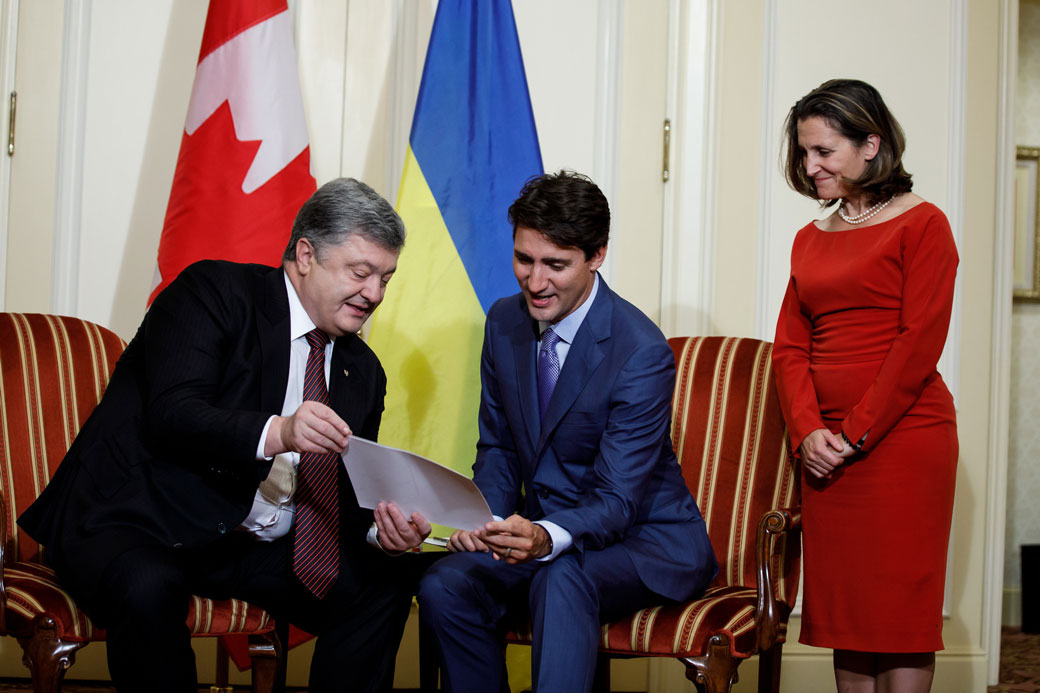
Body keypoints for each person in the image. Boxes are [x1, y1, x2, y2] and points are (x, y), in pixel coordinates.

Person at [18, 178, 432, 693]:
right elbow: (172, 413)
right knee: (148, 585)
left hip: (244, 541)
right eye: (361, 272)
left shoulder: (362, 370)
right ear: (305, 254)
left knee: (383, 583)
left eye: (386, 279)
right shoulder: (213, 293)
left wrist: (382, 534)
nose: (374, 294)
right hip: (139, 519)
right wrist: (280, 431)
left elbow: (343, 499)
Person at [417, 171, 717, 692]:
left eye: (556, 265)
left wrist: (545, 536)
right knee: (447, 583)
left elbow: (618, 499)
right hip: (546, 535)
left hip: (645, 542)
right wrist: (483, 520)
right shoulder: (503, 323)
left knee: (562, 576)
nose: (535, 282)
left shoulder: (639, 350)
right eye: (524, 259)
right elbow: (499, 446)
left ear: (597, 255)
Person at [772, 79, 959, 692]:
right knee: (846, 615)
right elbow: (791, 347)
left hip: (903, 444)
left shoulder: (925, 224)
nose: (810, 165)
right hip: (825, 453)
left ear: (870, 145)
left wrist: (853, 433)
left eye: (824, 151)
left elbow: (918, 343)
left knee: (899, 615)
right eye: (804, 153)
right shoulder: (809, 238)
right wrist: (808, 433)